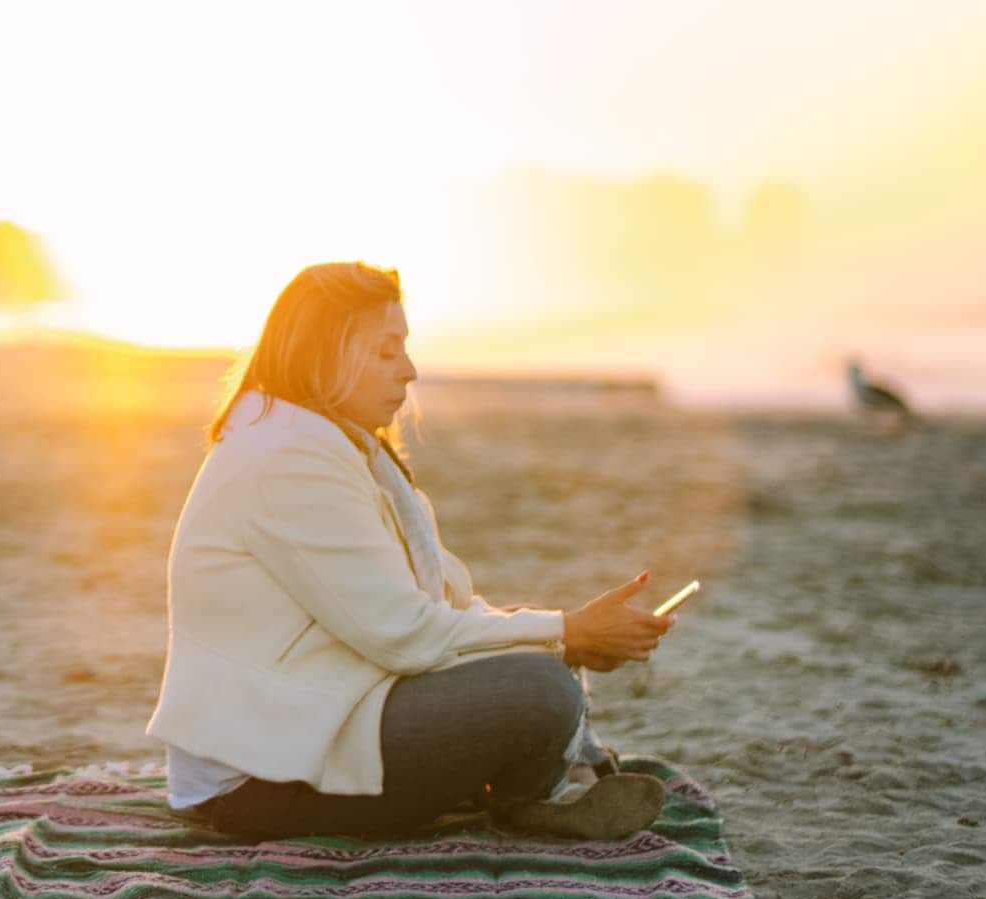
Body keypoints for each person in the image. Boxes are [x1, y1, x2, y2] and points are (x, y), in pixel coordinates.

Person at [143, 261, 680, 841]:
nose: (409, 371)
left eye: (405, 348)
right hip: (261, 781)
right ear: (324, 354)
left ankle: (531, 789)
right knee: (538, 690)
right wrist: (564, 632)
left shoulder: (327, 446)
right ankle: (528, 795)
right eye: (384, 352)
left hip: (318, 722)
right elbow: (406, 635)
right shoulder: (287, 460)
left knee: (539, 673)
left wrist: (559, 637)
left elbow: (434, 611)